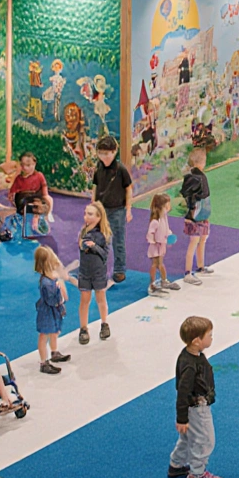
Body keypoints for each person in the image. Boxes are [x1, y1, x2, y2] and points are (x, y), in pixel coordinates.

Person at [169, 315, 222, 478]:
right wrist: (182, 418)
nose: (212, 338)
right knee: (204, 439)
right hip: (197, 407)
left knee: (187, 438)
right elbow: (182, 392)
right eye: (209, 335)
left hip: (194, 406)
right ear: (197, 341)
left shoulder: (193, 355)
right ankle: (197, 474)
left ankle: (176, 464)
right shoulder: (190, 365)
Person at [91, 136, 133, 283]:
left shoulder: (121, 169)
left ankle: (119, 269)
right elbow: (95, 187)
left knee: (118, 241)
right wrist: (93, 206)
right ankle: (99, 268)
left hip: (117, 210)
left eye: (107, 153)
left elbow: (128, 189)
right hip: (101, 209)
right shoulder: (99, 168)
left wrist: (128, 209)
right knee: (100, 239)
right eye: (101, 153)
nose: (104, 157)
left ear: (115, 152)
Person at [76, 201, 112, 344]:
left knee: (101, 298)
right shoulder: (83, 231)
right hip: (85, 272)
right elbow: (80, 247)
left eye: (90, 214)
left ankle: (104, 323)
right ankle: (83, 328)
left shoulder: (103, 234)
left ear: (99, 217)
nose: (86, 217)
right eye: (85, 214)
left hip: (98, 272)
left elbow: (105, 254)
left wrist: (95, 246)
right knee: (84, 300)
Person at [33, 245, 73, 374]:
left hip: (53, 311)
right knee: (44, 335)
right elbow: (51, 300)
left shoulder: (51, 278)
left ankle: (54, 352)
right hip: (47, 312)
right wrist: (58, 291)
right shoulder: (46, 283)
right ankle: (44, 362)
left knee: (54, 331)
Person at [179, 148, 212, 286]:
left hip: (201, 214)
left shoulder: (196, 176)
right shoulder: (195, 177)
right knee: (194, 241)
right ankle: (187, 272)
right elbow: (190, 197)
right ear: (201, 162)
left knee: (202, 238)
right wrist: (192, 211)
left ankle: (200, 266)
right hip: (195, 215)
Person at [8, 151, 54, 236]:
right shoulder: (19, 178)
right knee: (34, 203)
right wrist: (12, 199)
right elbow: (11, 192)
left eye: (28, 165)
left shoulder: (39, 175)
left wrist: (45, 195)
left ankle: (42, 216)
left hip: (36, 197)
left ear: (34, 164)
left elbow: (44, 186)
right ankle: (36, 219)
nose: (25, 168)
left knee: (47, 200)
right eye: (23, 165)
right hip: (23, 199)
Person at [146, 193, 179, 297]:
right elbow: (150, 234)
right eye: (167, 205)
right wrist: (154, 242)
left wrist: (169, 236)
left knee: (161, 264)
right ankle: (152, 285)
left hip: (162, 245)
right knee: (155, 264)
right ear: (162, 207)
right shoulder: (155, 221)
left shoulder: (164, 218)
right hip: (156, 247)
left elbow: (166, 229)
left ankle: (164, 281)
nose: (169, 207)